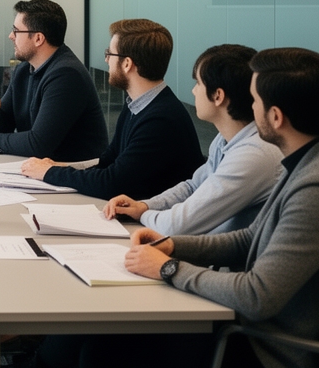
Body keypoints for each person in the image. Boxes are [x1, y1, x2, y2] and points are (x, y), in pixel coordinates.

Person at [51, 47, 319, 368]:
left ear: (275, 116)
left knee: (104, 356)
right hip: (249, 333)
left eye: (255, 99)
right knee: (111, 342)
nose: (249, 107)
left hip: (276, 365)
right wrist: (171, 245)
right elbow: (247, 239)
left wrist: (169, 268)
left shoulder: (311, 187)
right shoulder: (299, 163)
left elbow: (258, 296)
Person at [104, 44, 283, 235]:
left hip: (235, 262)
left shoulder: (253, 155)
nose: (193, 91)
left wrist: (142, 215)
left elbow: (178, 225)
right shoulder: (225, 138)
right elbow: (193, 186)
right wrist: (144, 206)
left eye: (198, 83)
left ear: (218, 95)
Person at [21, 19, 204, 199]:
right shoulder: (136, 104)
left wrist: (50, 173)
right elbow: (108, 161)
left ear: (127, 64)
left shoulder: (161, 119)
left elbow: (111, 183)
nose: (107, 60)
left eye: (110, 54)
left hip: (154, 224)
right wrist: (58, 167)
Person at [0, 0, 107, 161]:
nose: (11, 36)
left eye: (16, 31)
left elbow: (39, 144)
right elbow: (5, 126)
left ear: (38, 39)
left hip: (74, 173)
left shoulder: (67, 75)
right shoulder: (23, 70)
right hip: (42, 167)